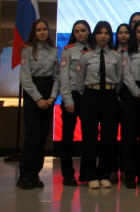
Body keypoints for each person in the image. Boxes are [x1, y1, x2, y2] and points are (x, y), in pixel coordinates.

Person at [76, 21, 124, 190]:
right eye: (100, 33)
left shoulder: (116, 56)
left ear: (110, 36)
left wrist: (111, 93)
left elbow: (119, 80)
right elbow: (80, 81)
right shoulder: (86, 56)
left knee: (108, 137)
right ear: (94, 35)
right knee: (89, 137)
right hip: (90, 96)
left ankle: (104, 174)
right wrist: (89, 95)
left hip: (110, 96)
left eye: (106, 33)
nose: (103, 36)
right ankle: (91, 175)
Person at [17, 19, 60, 190]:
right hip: (32, 94)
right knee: (32, 136)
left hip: (48, 92)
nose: (42, 32)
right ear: (34, 33)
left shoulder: (54, 51)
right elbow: (25, 78)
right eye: (38, 30)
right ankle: (24, 174)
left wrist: (52, 97)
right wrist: (38, 99)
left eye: (44, 29)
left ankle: (35, 174)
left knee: (42, 138)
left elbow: (57, 77)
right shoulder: (27, 50)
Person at [59, 20, 92, 186]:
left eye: (83, 30)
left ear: (89, 31)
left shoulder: (94, 50)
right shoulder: (68, 51)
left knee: (89, 136)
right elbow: (63, 77)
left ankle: (86, 173)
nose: (80, 33)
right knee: (67, 138)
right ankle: (68, 174)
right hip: (72, 95)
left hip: (88, 95)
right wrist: (67, 100)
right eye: (77, 31)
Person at [121, 20, 140, 189]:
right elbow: (126, 76)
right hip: (133, 95)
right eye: (139, 31)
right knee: (130, 138)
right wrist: (138, 93)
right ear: (135, 34)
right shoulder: (128, 52)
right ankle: (130, 175)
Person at [111, 23, 131, 182]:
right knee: (110, 134)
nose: (123, 35)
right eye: (120, 32)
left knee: (127, 135)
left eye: (126, 32)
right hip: (112, 95)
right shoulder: (111, 52)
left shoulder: (135, 51)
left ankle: (125, 168)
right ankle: (112, 168)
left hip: (130, 95)